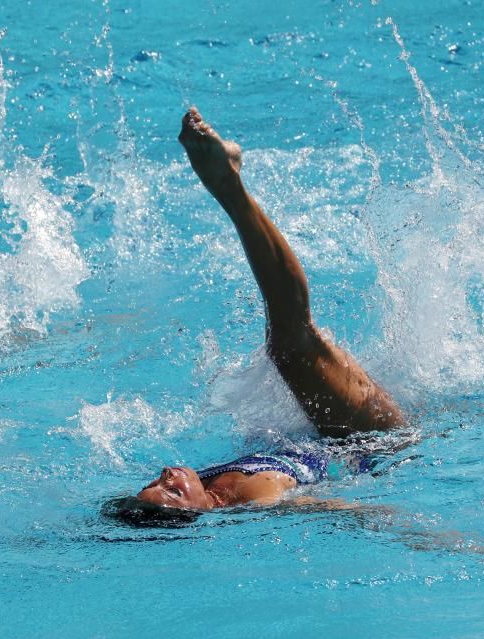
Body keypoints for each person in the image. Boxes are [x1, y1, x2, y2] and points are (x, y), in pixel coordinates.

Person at [134, 108, 405, 512]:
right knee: (291, 343)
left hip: (328, 432)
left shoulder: (210, 487)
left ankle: (230, 185)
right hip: (369, 439)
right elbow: (332, 510)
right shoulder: (256, 497)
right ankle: (227, 184)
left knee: (288, 347)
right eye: (173, 491)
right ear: (197, 514)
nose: (169, 476)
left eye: (156, 483)